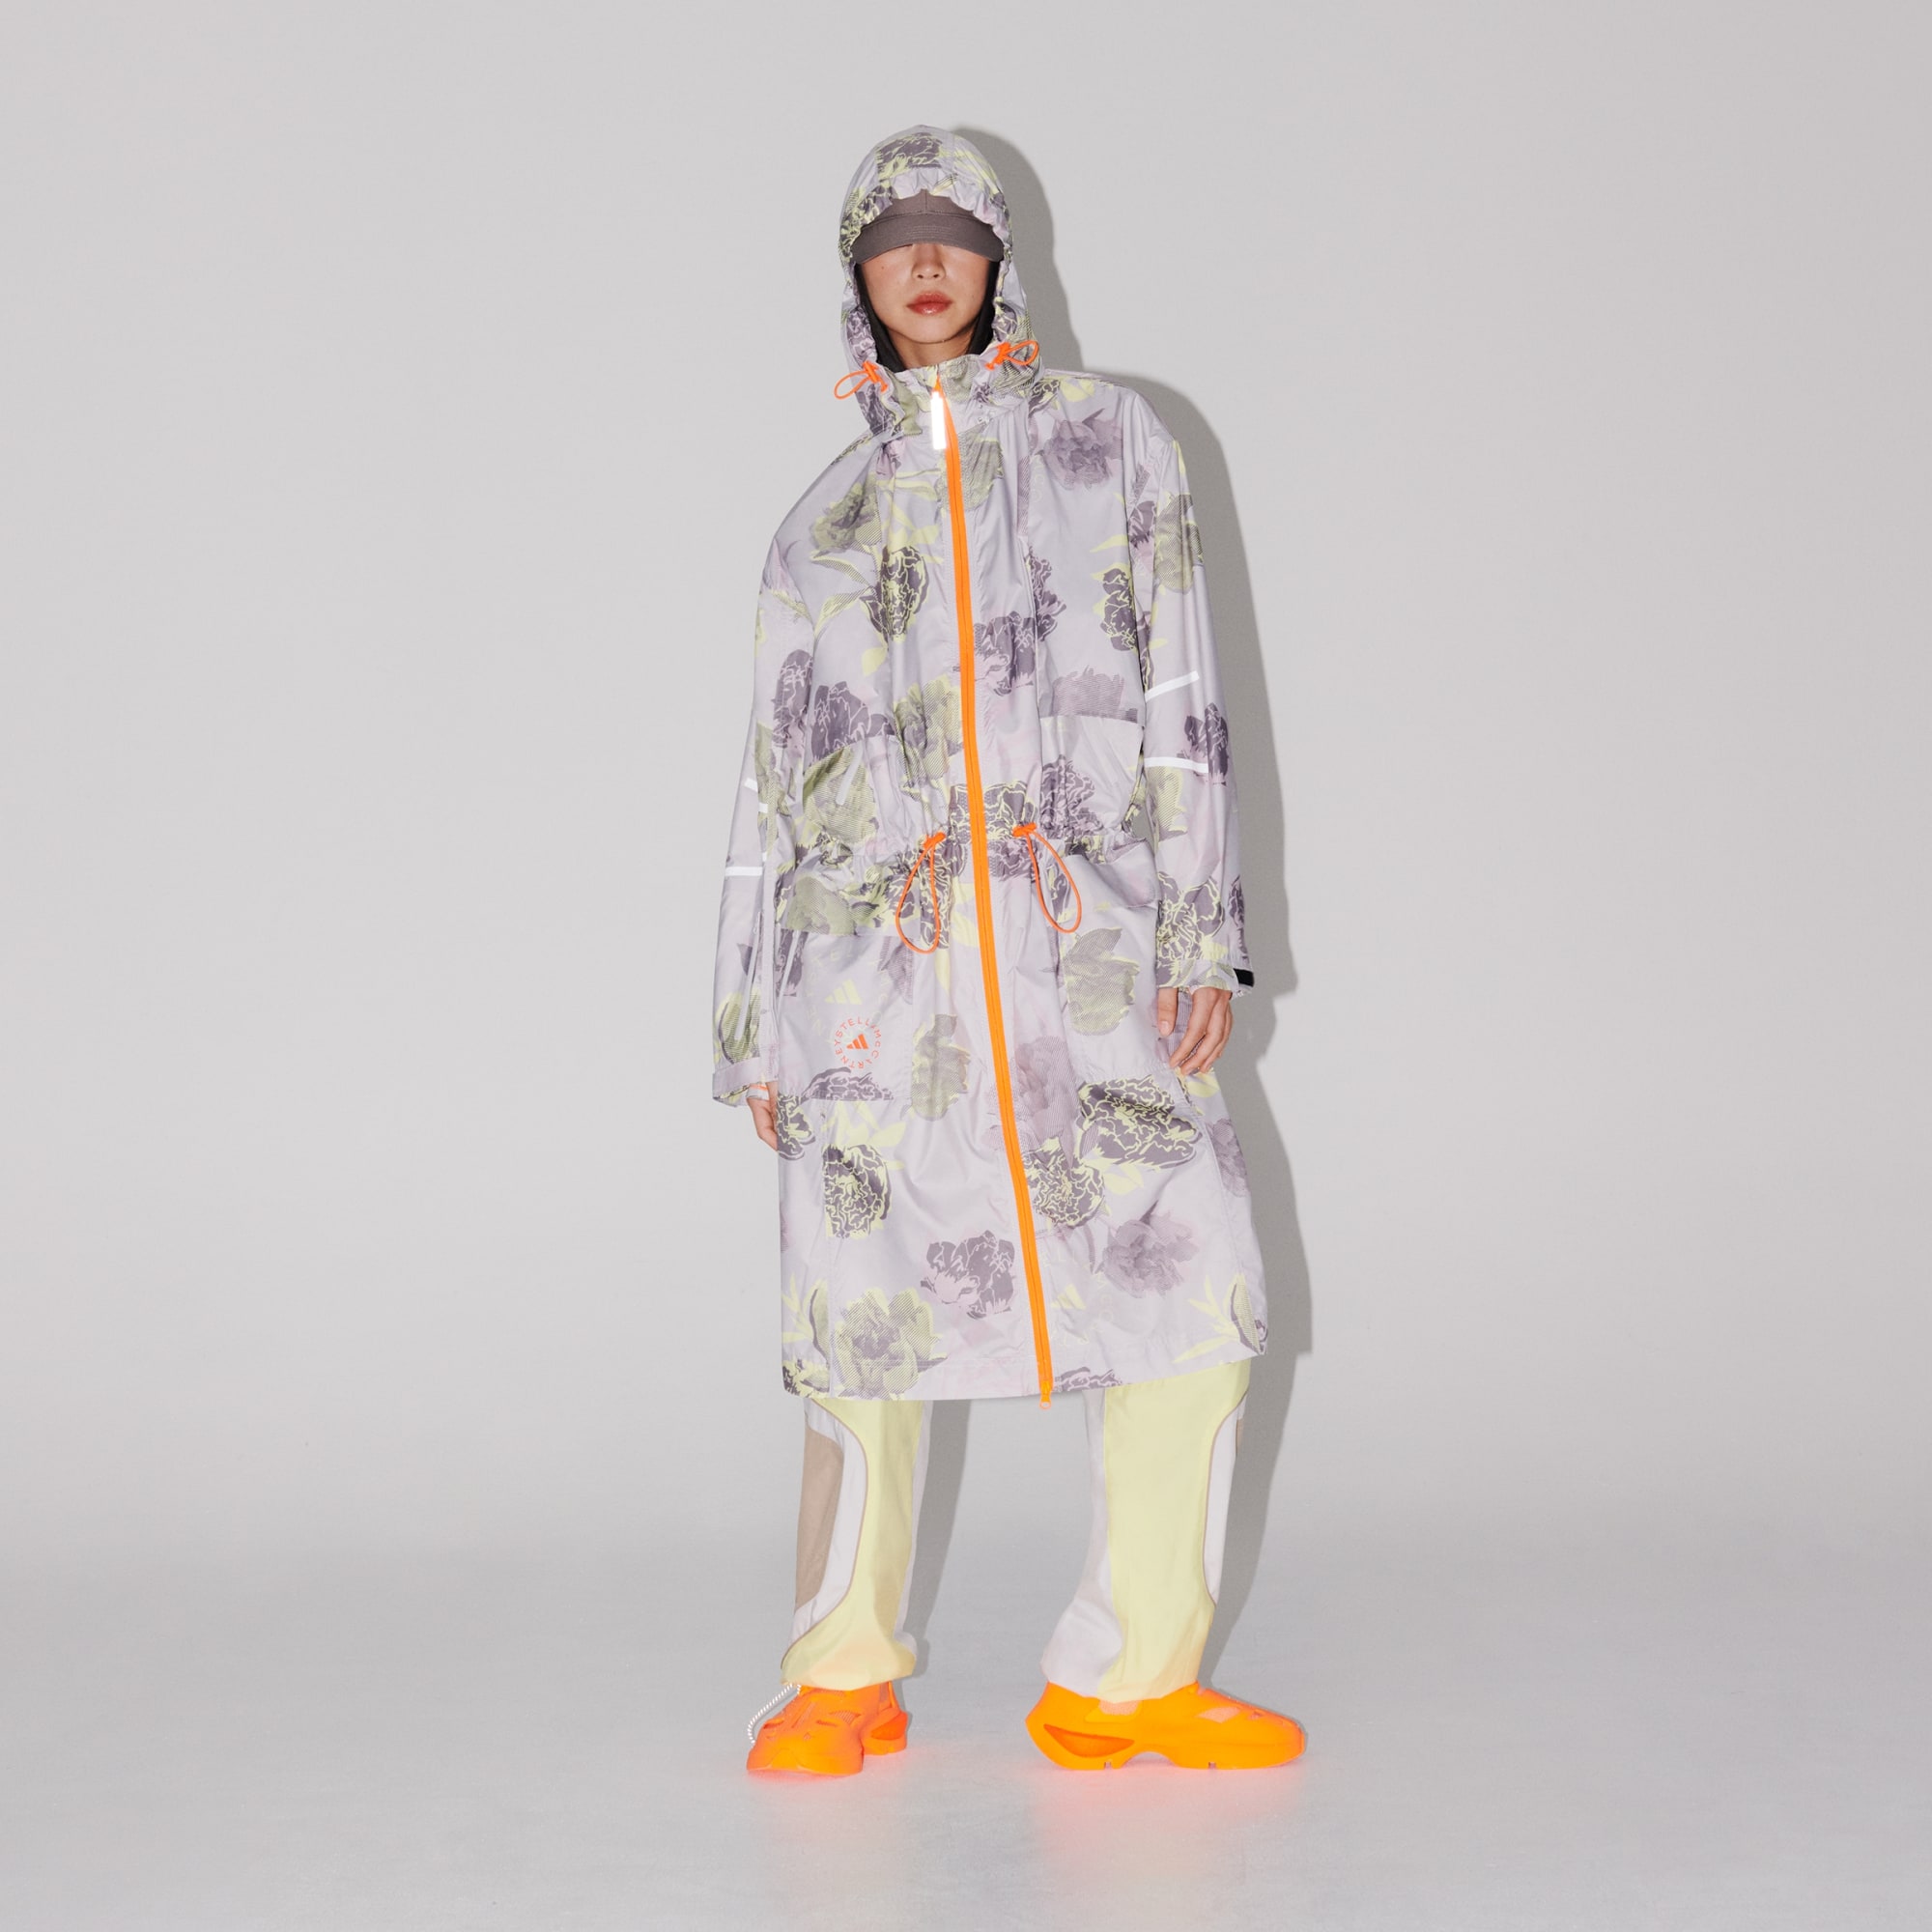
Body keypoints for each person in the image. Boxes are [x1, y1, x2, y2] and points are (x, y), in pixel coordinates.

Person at [712, 127, 1304, 1776]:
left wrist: (1200, 930)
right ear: (857, 275)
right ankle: (840, 1675)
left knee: (1195, 1299)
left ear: (995, 261)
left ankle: (1131, 1677)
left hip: (1087, 952)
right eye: (890, 235)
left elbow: (1184, 695)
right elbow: (770, 783)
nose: (923, 260)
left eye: (951, 231)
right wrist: (751, 1020)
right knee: (858, 1333)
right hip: (868, 988)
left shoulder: (1115, 445)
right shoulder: (820, 531)